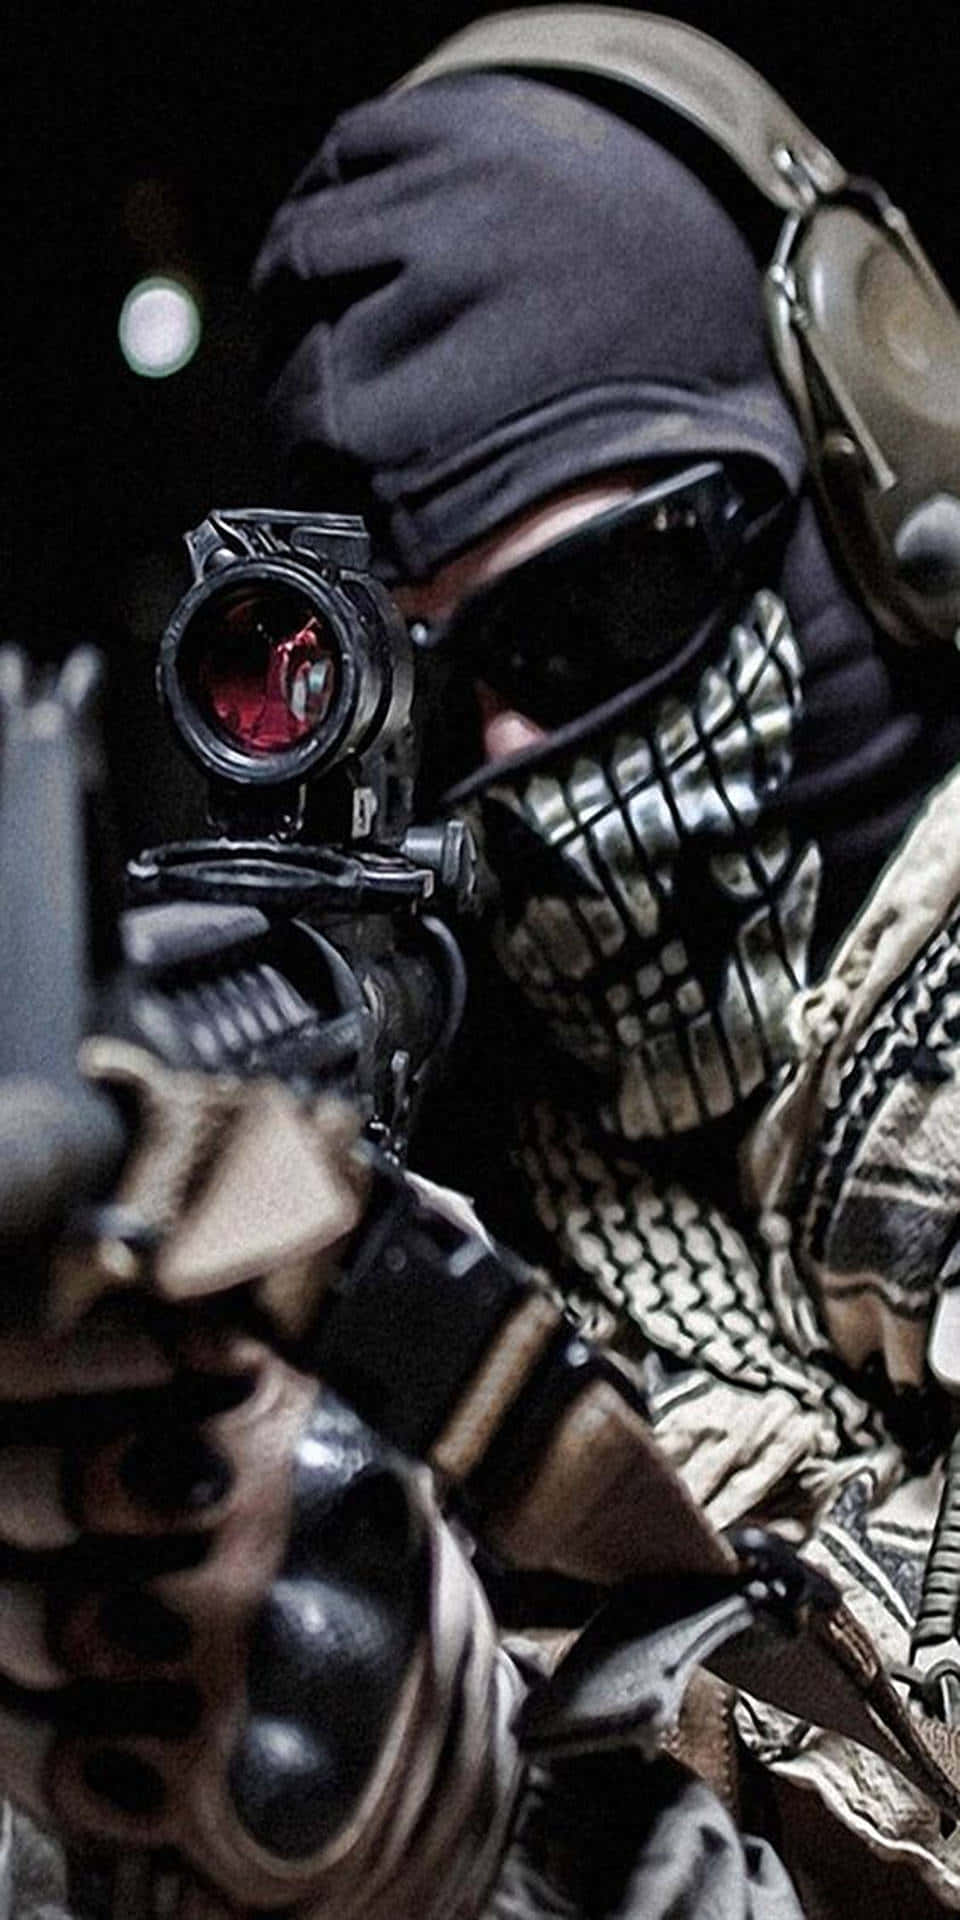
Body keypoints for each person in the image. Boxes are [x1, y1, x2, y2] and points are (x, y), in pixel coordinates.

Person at [3, 11, 960, 1917]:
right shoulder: (485, 1201)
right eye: (444, 702)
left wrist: (486, 1845)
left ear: (884, 497)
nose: (518, 762)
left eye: (594, 615)